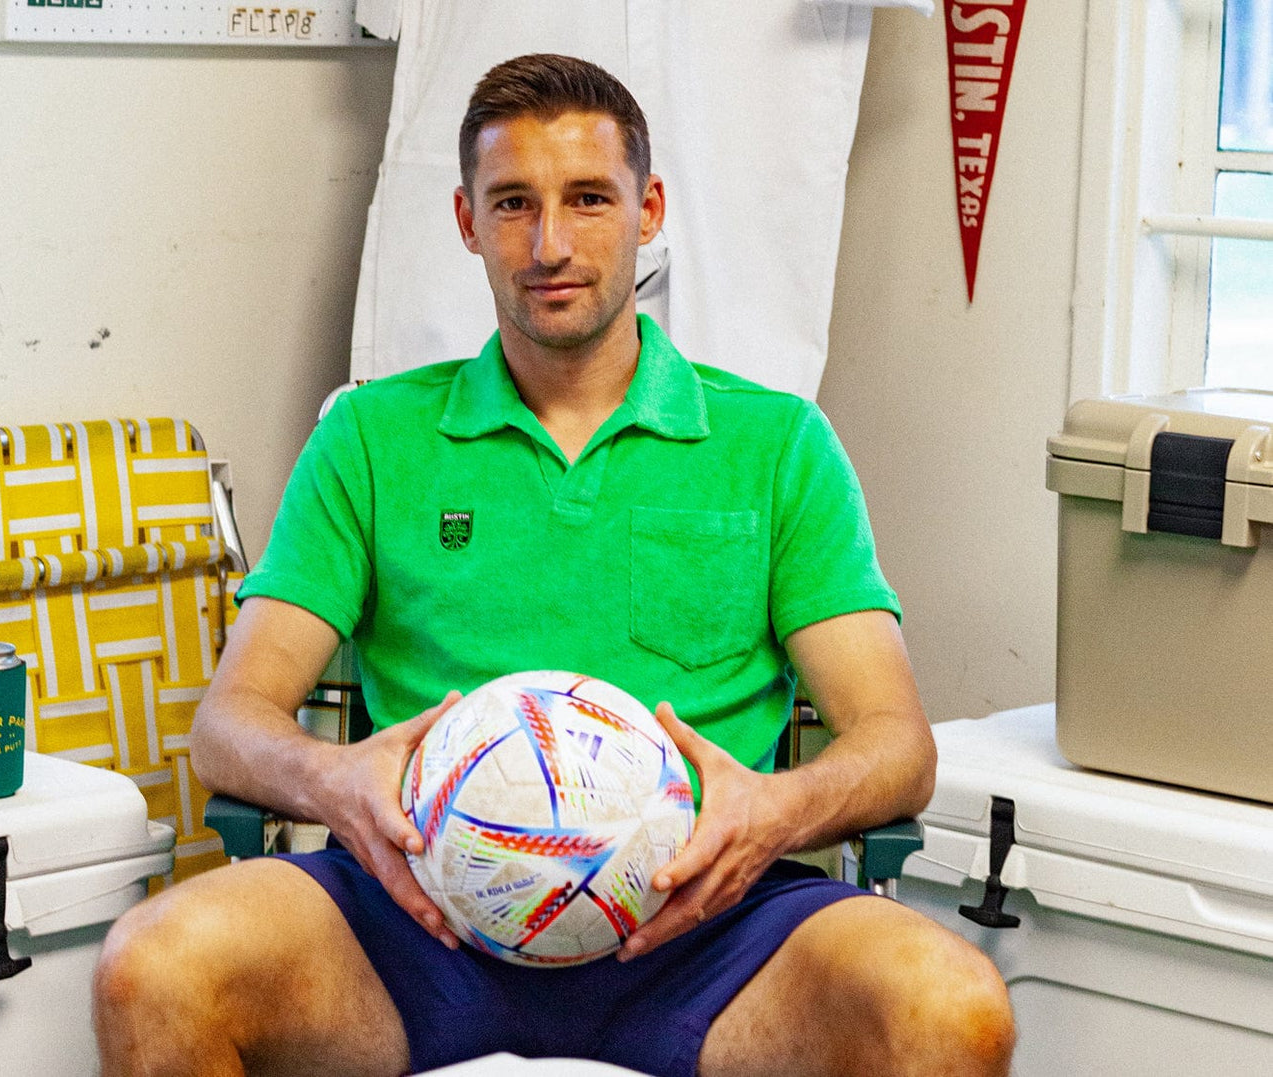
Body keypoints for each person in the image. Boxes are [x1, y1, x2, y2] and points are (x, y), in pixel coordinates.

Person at [94, 53, 1015, 1077]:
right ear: (465, 220)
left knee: (952, 1009)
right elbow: (229, 724)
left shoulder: (778, 445)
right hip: (418, 925)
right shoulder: (367, 436)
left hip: (705, 932)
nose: (549, 245)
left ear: (647, 210)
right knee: (152, 969)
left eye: (587, 199)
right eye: (511, 204)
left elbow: (896, 743)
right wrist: (334, 779)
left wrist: (774, 813)